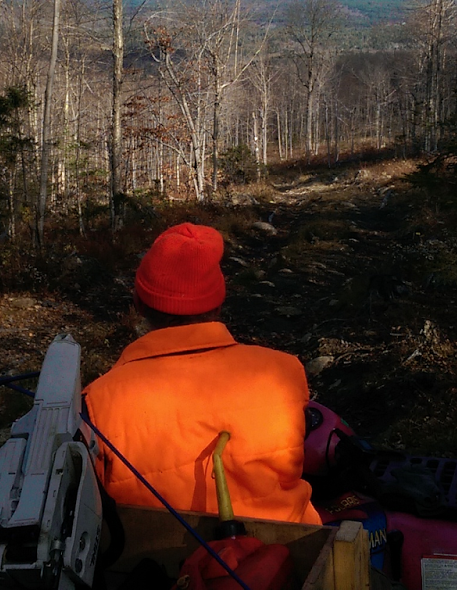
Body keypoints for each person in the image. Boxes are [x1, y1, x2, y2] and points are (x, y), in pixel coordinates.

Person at [84, 222, 321, 525]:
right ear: (218, 301)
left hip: (154, 566)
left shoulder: (97, 404)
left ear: (139, 304)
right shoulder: (285, 372)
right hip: (293, 556)